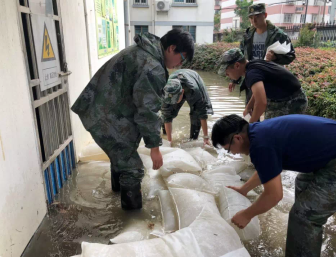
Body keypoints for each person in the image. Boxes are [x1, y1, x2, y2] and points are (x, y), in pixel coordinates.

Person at [71, 29, 194, 210]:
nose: (180, 64)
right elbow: (147, 111)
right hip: (106, 116)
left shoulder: (143, 51)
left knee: (122, 155)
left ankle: (116, 196)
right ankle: (130, 219)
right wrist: (155, 148)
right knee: (132, 169)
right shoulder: (153, 67)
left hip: (102, 109)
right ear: (171, 48)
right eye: (182, 58)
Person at [211, 114, 336, 257]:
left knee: (303, 216)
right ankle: (309, 237)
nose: (233, 153)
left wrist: (246, 214)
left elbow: (274, 196)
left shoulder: (260, 144)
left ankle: (305, 237)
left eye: (228, 149)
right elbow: (268, 168)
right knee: (302, 182)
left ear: (237, 138)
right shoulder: (258, 133)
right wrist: (245, 189)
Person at [229, 3, 296, 105]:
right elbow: (240, 57)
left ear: (265, 15)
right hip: (253, 77)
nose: (254, 21)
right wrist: (234, 79)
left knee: (270, 112)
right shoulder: (248, 35)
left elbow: (291, 55)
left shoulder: (278, 35)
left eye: (257, 17)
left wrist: (275, 57)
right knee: (251, 113)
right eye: (251, 18)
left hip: (271, 79)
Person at [218, 48, 307, 123]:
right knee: (268, 126)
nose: (226, 75)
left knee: (274, 131)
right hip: (284, 97)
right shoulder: (252, 65)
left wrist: (250, 126)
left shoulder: (252, 74)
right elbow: (258, 93)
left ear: (237, 65)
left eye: (227, 71)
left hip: (294, 100)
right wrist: (249, 107)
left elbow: (261, 103)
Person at [161, 69, 213, 145]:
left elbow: (202, 113)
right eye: (171, 101)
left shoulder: (194, 90)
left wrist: (206, 137)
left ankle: (193, 138)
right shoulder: (166, 91)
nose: (173, 103)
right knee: (166, 113)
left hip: (193, 78)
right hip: (176, 82)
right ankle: (165, 134)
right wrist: (169, 141)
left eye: (175, 100)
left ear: (182, 92)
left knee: (196, 114)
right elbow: (166, 115)